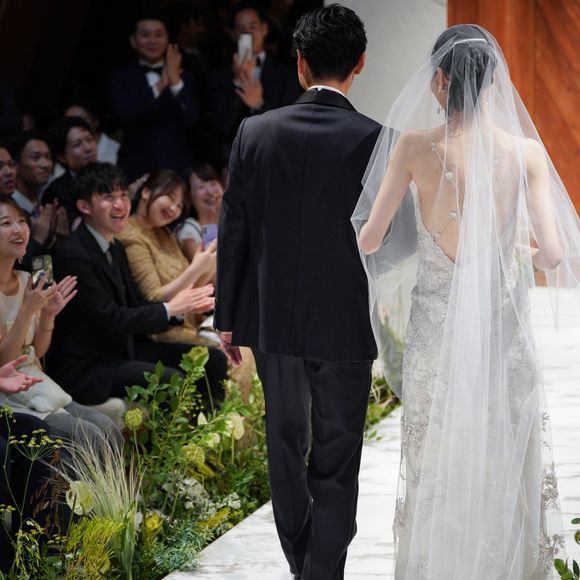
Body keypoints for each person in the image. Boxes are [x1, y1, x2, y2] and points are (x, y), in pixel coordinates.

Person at [356, 24, 580, 579]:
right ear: (492, 83)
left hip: (435, 329)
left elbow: (370, 239)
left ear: (439, 80)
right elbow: (554, 255)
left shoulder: (413, 147)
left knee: (437, 453)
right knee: (502, 446)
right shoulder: (525, 152)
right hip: (503, 331)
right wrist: (515, 251)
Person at [216, 5, 414, 579]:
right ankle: (322, 570)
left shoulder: (255, 131)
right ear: (360, 64)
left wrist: (227, 317)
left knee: (283, 446)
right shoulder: (379, 141)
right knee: (338, 454)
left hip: (271, 317)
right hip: (345, 318)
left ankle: (303, 562)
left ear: (299, 62)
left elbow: (235, 228)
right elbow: (399, 239)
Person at [49, 162, 226, 409]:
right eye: (108, 197)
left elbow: (135, 304)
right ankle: (184, 435)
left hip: (123, 351)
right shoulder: (74, 255)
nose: (120, 204)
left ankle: (211, 430)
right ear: (84, 206)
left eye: (123, 195)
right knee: (172, 380)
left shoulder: (115, 247)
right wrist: (170, 308)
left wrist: (180, 309)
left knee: (213, 360)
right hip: (91, 366)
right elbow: (112, 318)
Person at [0, 195, 124, 452]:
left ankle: (122, 482)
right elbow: (5, 363)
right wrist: (25, 311)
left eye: (21, 221)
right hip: (8, 396)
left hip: (39, 385)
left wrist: (48, 316)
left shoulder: (26, 280)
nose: (19, 229)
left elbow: (38, 351)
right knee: (88, 436)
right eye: (6, 223)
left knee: (108, 428)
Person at [118, 169, 217, 345]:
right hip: (162, 332)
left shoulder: (164, 233)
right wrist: (196, 268)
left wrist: (209, 266)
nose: (173, 209)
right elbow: (154, 298)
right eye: (170, 198)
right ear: (146, 192)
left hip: (191, 322)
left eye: (179, 205)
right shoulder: (130, 235)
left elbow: (191, 289)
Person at [109, 14, 199, 181]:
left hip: (176, 166)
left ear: (167, 39)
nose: (152, 40)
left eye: (158, 35)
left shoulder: (185, 77)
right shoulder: (121, 77)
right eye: (145, 35)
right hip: (135, 166)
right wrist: (160, 85)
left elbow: (191, 118)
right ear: (133, 41)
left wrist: (175, 82)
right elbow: (125, 116)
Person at [208, 1, 302, 143]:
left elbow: (291, 125)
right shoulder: (219, 76)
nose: (247, 33)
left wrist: (260, 105)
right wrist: (237, 82)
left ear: (264, 29)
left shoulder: (286, 75)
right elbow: (221, 126)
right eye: (241, 28)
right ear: (234, 33)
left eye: (253, 26)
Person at [10, 131, 66, 264]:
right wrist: (38, 240)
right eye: (35, 157)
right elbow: (14, 267)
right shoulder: (8, 210)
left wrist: (60, 241)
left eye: (48, 157)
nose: (45, 164)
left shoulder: (47, 205)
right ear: (16, 165)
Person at [42, 116, 98, 227]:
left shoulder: (110, 175)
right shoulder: (57, 192)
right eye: (77, 144)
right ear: (62, 156)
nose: (88, 148)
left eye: (89, 139)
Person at [176, 163, 223, 261]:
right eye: (201, 187)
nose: (210, 192)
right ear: (189, 197)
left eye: (213, 183)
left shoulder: (232, 221)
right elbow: (205, 269)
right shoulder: (188, 231)